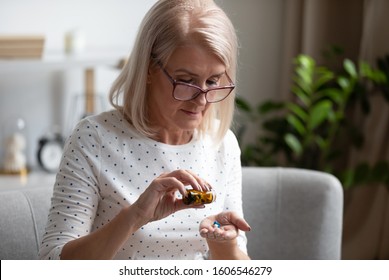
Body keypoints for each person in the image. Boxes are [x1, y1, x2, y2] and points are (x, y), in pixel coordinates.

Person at [39, 0, 251, 260]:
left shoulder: (223, 144)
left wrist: (222, 243)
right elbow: (51, 263)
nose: (202, 99)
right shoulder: (93, 139)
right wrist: (136, 216)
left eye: (213, 81)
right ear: (149, 67)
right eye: (186, 80)